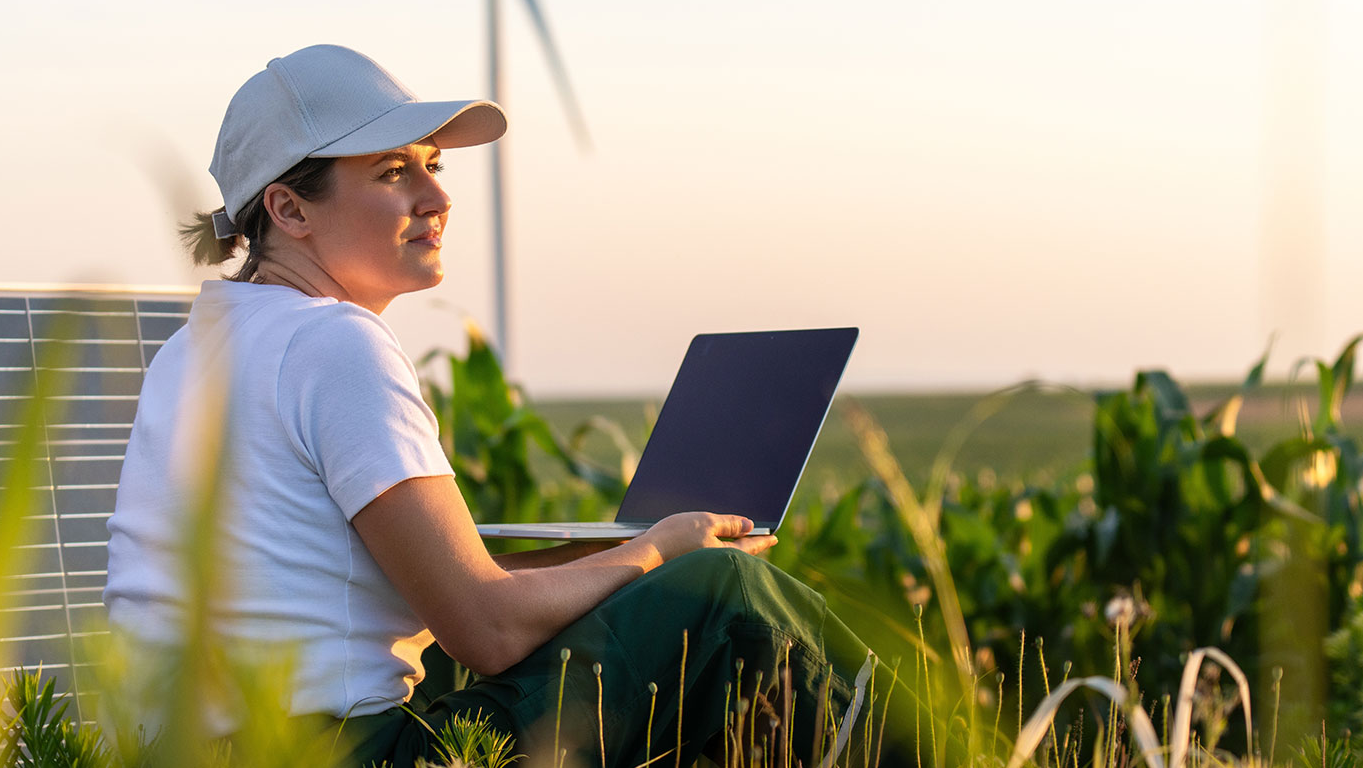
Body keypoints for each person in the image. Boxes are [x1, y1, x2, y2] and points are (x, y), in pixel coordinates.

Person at [102, 44, 872, 767]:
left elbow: (442, 584)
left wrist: (624, 557)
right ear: (289, 210)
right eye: (393, 172)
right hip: (330, 751)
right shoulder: (333, 346)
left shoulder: (197, 350)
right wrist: (661, 553)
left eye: (432, 165)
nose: (437, 195)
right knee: (724, 598)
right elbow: (486, 629)